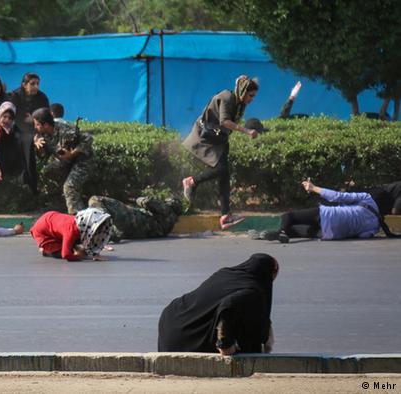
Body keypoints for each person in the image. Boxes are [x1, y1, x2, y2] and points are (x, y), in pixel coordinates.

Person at [158, 253, 278, 355]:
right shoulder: (253, 291)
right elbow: (228, 305)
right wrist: (225, 343)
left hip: (173, 321)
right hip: (191, 338)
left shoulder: (225, 273)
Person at [181, 75, 260, 230]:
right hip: (205, 136)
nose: (252, 99)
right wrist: (247, 130)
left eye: (254, 96)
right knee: (221, 170)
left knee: (224, 175)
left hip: (219, 138)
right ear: (243, 91)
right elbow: (225, 121)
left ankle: (225, 216)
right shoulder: (227, 97)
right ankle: (191, 182)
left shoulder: (239, 102)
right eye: (251, 95)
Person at [260, 179, 393, 243]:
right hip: (330, 234)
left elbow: (337, 196)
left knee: (288, 216)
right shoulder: (375, 227)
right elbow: (361, 236)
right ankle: (279, 233)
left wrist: (313, 188)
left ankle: (280, 231)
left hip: (328, 215)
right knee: (294, 230)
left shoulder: (367, 198)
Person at [33, 107, 93, 214]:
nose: (35, 127)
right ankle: (64, 201)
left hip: (81, 161)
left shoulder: (66, 128)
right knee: (47, 171)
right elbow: (43, 155)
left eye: (37, 124)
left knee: (69, 187)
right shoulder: (42, 133)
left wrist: (72, 154)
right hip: (64, 161)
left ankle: (77, 217)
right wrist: (38, 147)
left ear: (46, 125)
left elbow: (88, 138)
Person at [30, 208, 113, 262]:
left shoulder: (81, 223)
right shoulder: (71, 231)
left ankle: (67, 245)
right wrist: (79, 257)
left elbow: (89, 237)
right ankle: (45, 251)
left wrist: (96, 251)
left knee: (76, 244)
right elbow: (65, 254)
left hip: (51, 220)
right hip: (42, 232)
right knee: (63, 252)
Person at [88, 195, 182, 241]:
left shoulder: (166, 209)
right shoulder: (168, 227)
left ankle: (101, 226)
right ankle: (107, 234)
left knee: (95, 199)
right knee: (114, 232)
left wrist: (138, 199)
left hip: (130, 217)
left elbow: (146, 201)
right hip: (130, 232)